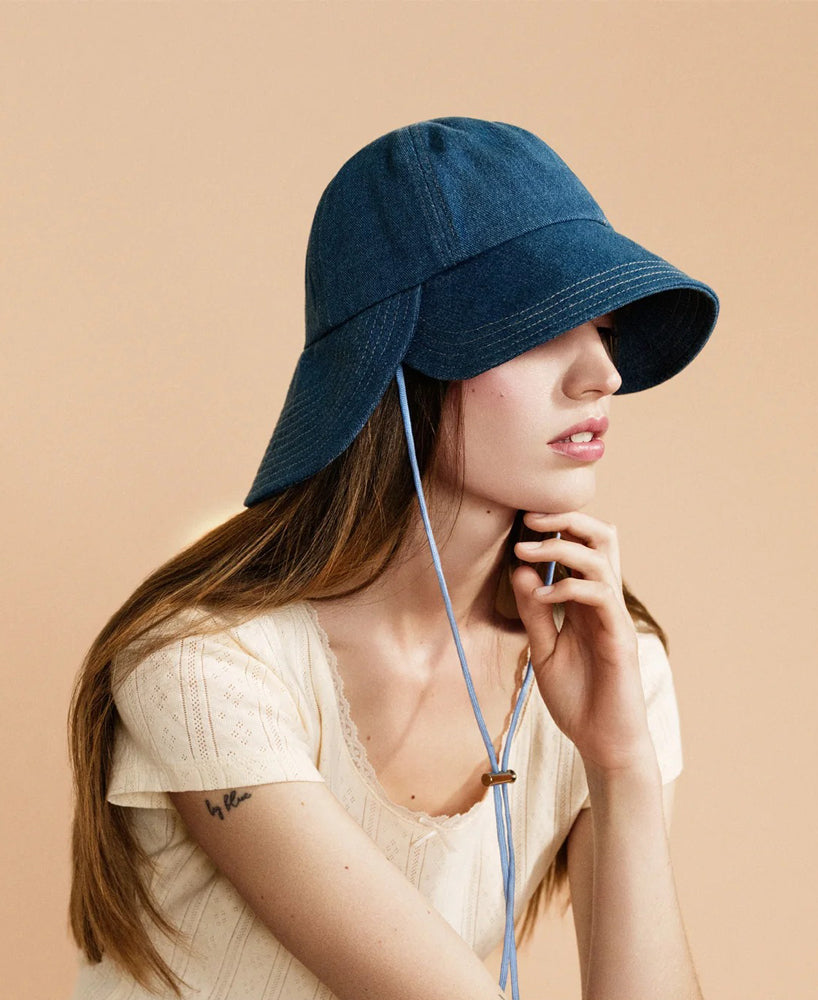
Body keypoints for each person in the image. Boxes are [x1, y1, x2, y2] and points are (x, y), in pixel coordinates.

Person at [68, 117, 720, 1000]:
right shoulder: (206, 667)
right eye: (539, 329)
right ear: (397, 364)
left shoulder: (610, 666)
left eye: (602, 325)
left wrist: (621, 765)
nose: (601, 373)